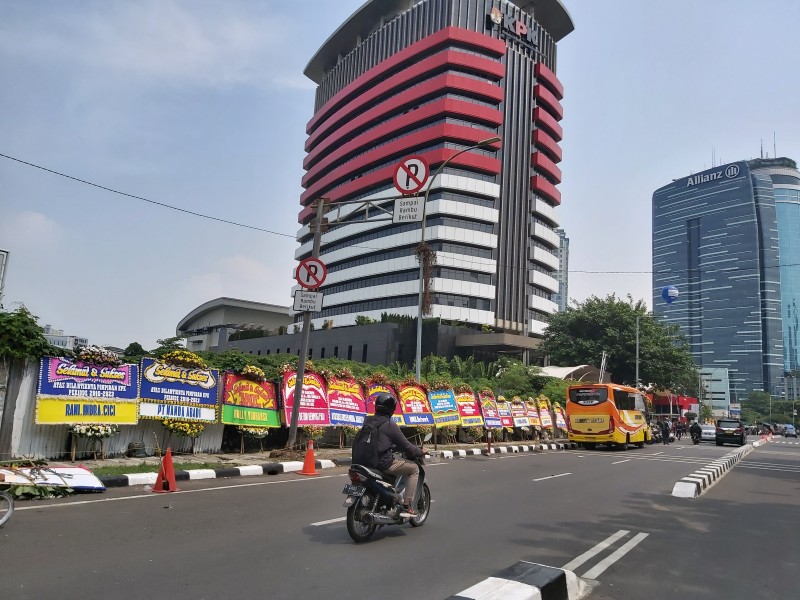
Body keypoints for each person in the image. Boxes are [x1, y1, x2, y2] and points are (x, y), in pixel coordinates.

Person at [364, 393, 425, 517]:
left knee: (396, 460)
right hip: (381, 462)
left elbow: (379, 440)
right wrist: (420, 451)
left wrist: (392, 446)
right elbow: (407, 447)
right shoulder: (390, 425)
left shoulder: (368, 420)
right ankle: (407, 505)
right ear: (391, 409)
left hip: (364, 461)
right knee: (414, 469)